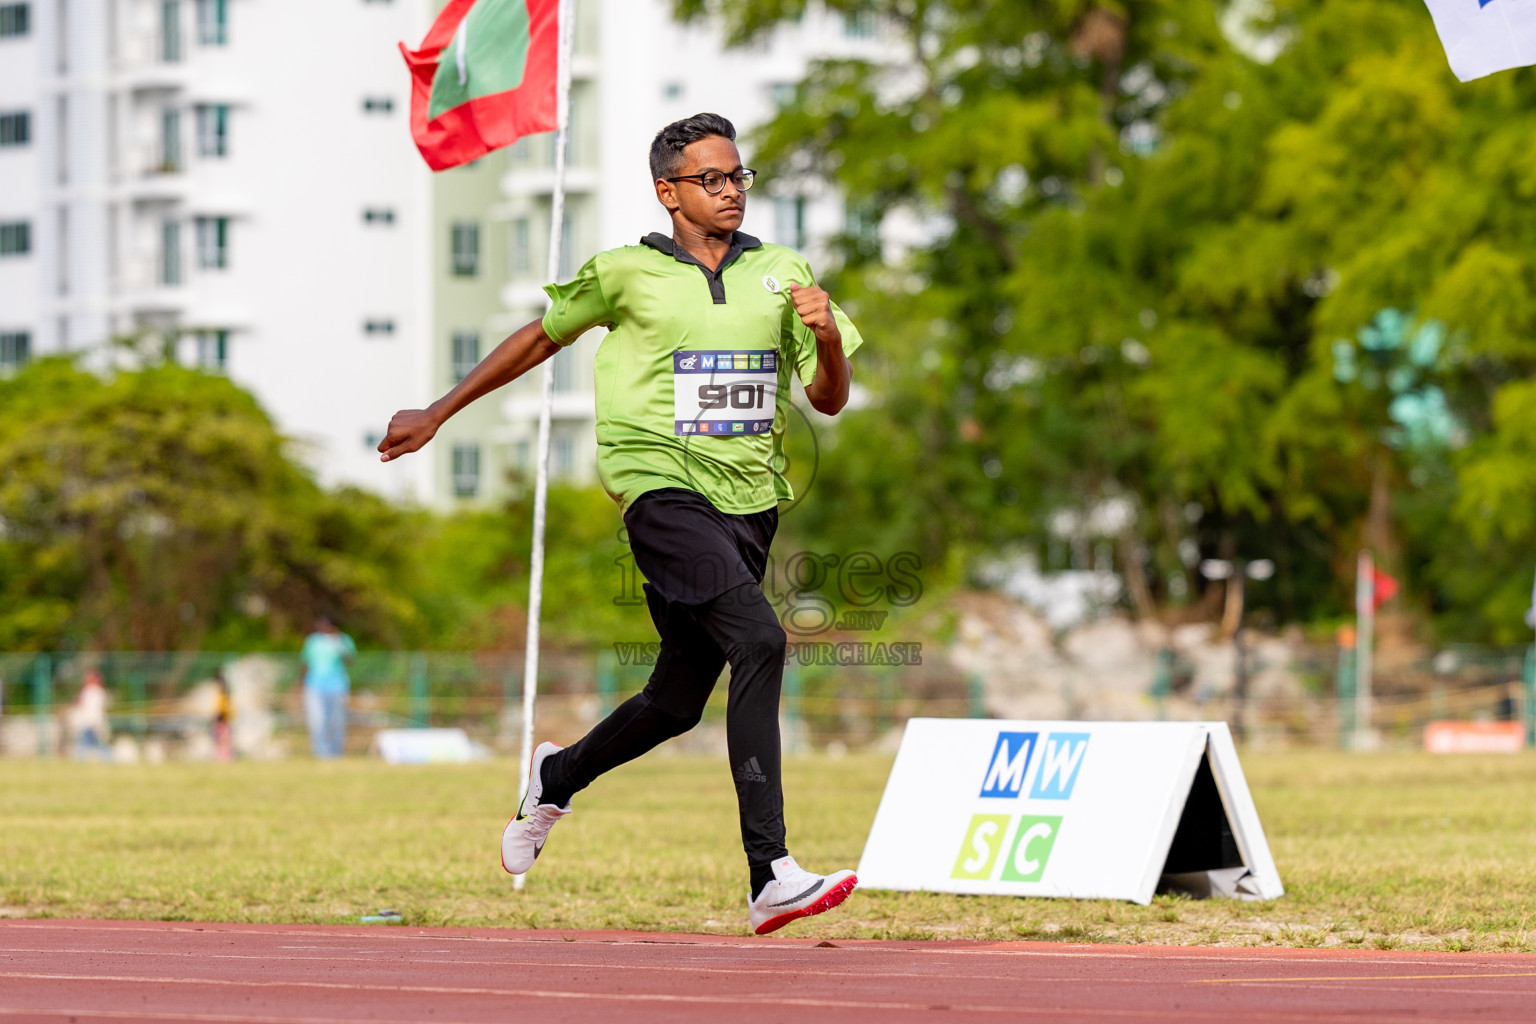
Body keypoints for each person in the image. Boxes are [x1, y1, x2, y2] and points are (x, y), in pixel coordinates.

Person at [378, 113, 864, 934]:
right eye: (712, 180)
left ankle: (556, 778)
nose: (732, 192)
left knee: (676, 701)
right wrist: (441, 409)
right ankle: (770, 870)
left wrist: (824, 334)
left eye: (739, 176)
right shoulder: (626, 272)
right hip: (659, 490)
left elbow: (828, 398)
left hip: (751, 503)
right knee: (761, 640)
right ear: (668, 191)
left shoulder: (784, 273)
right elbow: (541, 338)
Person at [300, 616, 356, 759]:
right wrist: (300, 683)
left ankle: (336, 753)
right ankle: (321, 753)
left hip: (338, 687)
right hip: (315, 686)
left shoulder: (343, 639)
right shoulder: (313, 641)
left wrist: (339, 643)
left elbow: (350, 660)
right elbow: (306, 662)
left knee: (337, 721)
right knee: (318, 720)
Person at [69, 668, 111, 762]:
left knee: (91, 743)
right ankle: (107, 758)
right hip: (88, 721)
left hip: (92, 722)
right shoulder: (92, 691)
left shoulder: (95, 692)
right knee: (90, 742)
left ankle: (107, 758)